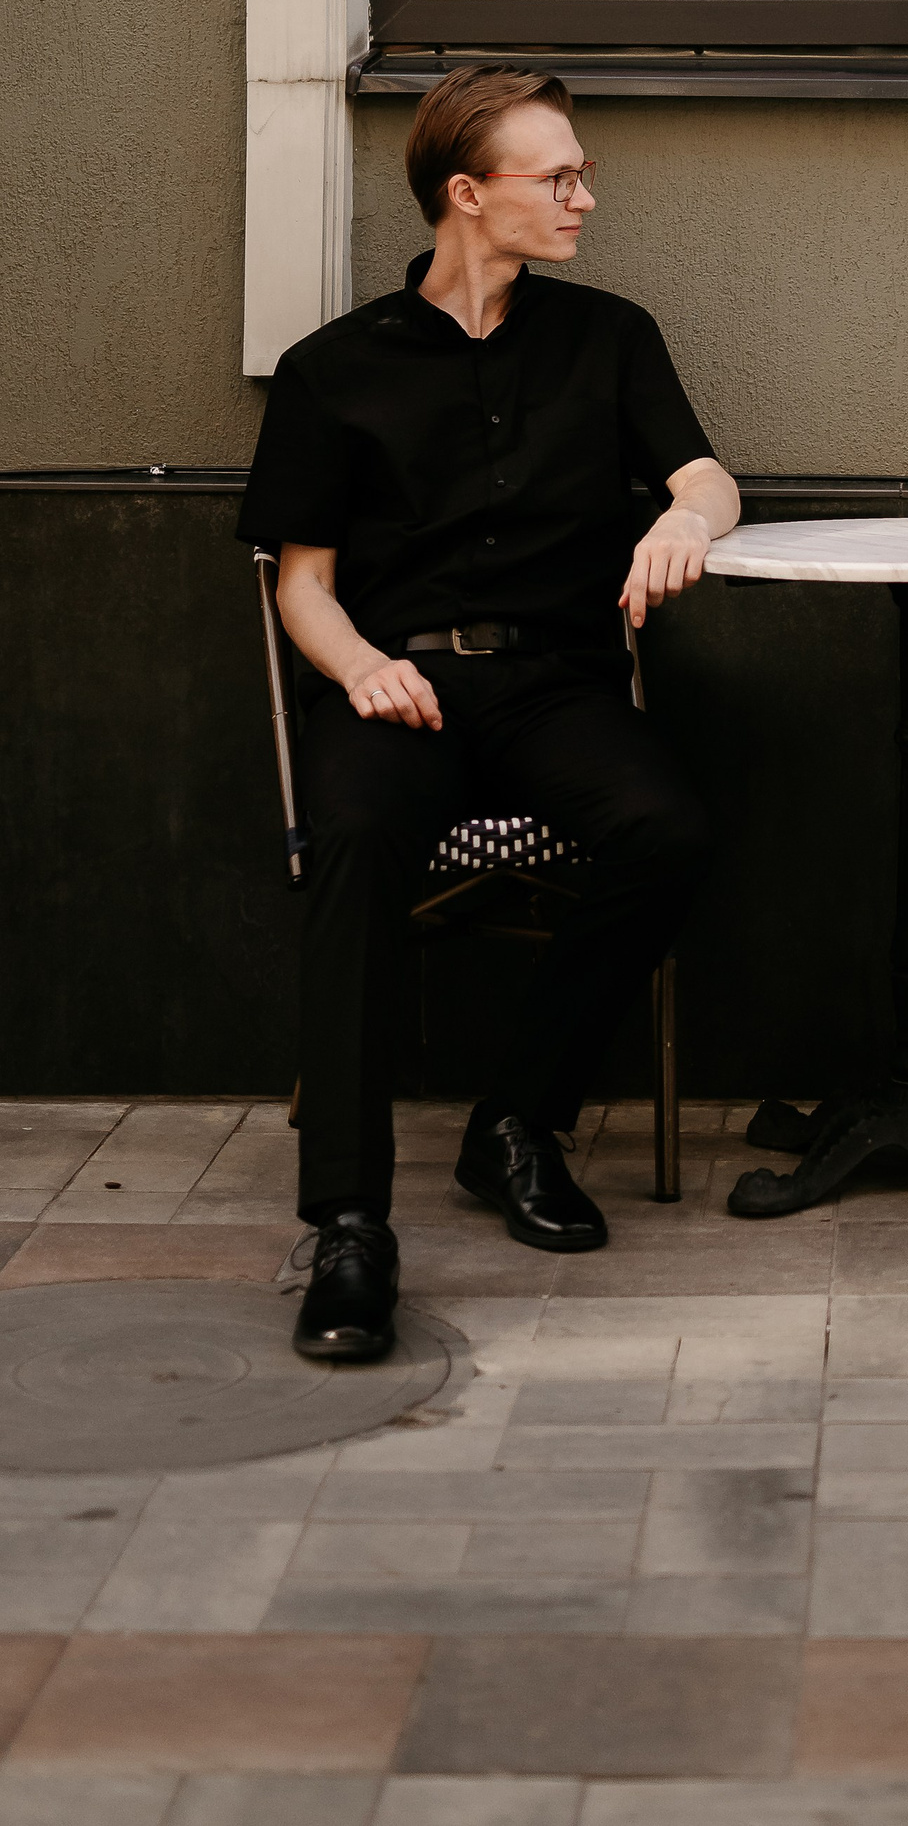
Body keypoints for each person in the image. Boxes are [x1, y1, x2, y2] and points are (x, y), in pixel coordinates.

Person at [239, 66, 740, 1362]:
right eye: (557, 175)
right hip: (398, 689)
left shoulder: (610, 336)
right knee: (354, 841)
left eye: (581, 172)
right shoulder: (332, 370)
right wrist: (361, 668)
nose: (584, 196)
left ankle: (517, 1121)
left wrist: (687, 519)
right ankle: (349, 1225)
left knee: (667, 830)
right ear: (468, 193)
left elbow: (704, 473)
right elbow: (302, 585)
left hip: (556, 686)